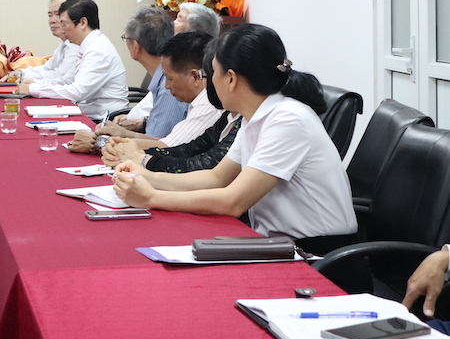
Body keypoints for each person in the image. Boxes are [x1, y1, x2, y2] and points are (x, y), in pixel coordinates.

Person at [112, 24, 357, 252]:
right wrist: (147, 176)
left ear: (231, 78)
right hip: (277, 243)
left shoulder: (287, 120)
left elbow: (233, 201)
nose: (209, 82)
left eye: (212, 73)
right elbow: (216, 178)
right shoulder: (253, 118)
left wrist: (152, 197)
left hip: (318, 252)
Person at [100, 32, 227, 164]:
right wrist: (124, 135)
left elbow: (169, 148)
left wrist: (108, 143)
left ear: (195, 76)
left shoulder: (208, 105)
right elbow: (170, 143)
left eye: (169, 78)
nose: (166, 86)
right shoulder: (200, 101)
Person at [14, 0, 128, 120]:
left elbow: (77, 92)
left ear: (83, 23)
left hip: (102, 119)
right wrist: (35, 83)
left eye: (64, 24)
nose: (62, 30)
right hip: (86, 111)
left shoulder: (98, 50)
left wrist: (33, 89)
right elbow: (67, 80)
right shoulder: (86, 45)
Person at [115, 2, 223, 132]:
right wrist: (142, 122)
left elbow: (162, 139)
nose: (172, 24)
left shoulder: (174, 85)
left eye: (179, 19)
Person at [1, 0, 77, 85]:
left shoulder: (78, 46)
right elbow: (47, 68)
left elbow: (59, 76)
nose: (52, 21)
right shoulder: (64, 45)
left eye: (58, 15)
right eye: (50, 15)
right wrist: (21, 72)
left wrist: (23, 76)